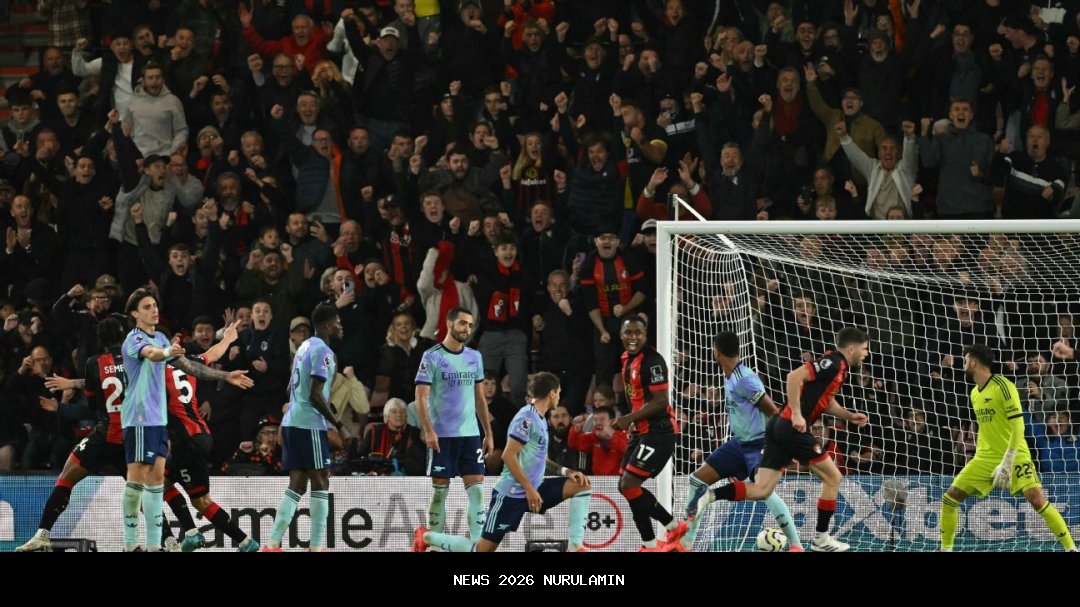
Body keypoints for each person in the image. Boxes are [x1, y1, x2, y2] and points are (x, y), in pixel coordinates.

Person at [701, 327, 872, 552]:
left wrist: (848, 416)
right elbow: (794, 376)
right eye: (865, 349)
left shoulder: (839, 369)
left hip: (777, 426)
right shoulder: (834, 362)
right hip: (791, 426)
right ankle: (821, 539)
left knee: (762, 490)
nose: (866, 353)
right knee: (833, 477)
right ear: (852, 348)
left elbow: (826, 402)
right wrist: (798, 413)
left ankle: (709, 496)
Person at [120, 288, 253, 551]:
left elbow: (153, 356)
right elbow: (211, 356)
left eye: (154, 306)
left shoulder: (160, 365)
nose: (154, 310)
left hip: (186, 438)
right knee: (161, 485)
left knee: (197, 500)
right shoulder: (183, 360)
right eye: (147, 307)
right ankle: (220, 538)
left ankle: (234, 540)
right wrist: (227, 339)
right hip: (198, 434)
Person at [413, 372, 592, 552]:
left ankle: (575, 546)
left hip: (535, 488)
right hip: (511, 494)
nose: (559, 397)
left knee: (581, 485)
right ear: (552, 393)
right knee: (482, 550)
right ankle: (427, 537)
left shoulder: (541, 419)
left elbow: (542, 460)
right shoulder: (526, 419)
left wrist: (566, 472)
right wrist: (529, 489)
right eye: (559, 393)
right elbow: (508, 455)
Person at [670, 331, 803, 552]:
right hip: (739, 444)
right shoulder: (730, 376)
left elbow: (773, 411)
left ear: (717, 352)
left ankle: (796, 546)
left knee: (765, 491)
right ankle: (685, 543)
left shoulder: (745, 379)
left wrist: (787, 442)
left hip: (761, 444)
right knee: (697, 480)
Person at [940, 345, 1076, 552]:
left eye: (966, 359)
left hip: (1015, 455)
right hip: (985, 458)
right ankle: (945, 549)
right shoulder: (975, 393)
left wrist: (1008, 460)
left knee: (1037, 500)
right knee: (950, 498)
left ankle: (1071, 548)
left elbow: (1018, 425)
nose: (964, 363)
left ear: (974, 362)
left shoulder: (1004, 386)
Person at [262, 304, 345, 552]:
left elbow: (292, 390)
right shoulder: (323, 351)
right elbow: (315, 394)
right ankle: (317, 546)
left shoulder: (303, 348)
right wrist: (340, 425)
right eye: (338, 322)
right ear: (329, 325)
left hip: (292, 422)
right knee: (321, 482)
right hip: (309, 424)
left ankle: (273, 545)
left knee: (297, 484)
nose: (341, 327)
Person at [415, 307, 494, 544]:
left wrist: (488, 433)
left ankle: (479, 547)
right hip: (443, 436)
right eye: (462, 324)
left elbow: (480, 398)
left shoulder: (474, 357)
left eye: (469, 325)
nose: (466, 329)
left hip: (470, 435)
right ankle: (433, 545)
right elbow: (420, 397)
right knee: (440, 493)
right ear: (449, 324)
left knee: (478, 492)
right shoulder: (432, 356)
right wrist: (429, 430)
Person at [612, 315, 685, 551]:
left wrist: (628, 419)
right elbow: (638, 397)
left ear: (645, 335)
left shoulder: (653, 362)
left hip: (659, 431)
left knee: (628, 485)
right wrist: (633, 421)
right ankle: (650, 544)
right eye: (628, 333)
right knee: (626, 486)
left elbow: (661, 402)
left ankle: (673, 527)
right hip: (641, 431)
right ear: (621, 334)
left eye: (638, 333)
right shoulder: (626, 359)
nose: (633, 337)